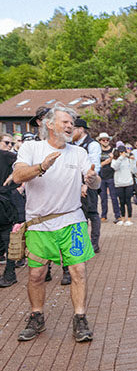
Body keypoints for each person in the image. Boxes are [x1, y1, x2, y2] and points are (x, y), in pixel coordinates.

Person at [12, 104, 101, 342]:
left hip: (72, 221)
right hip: (39, 224)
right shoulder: (31, 148)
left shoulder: (79, 153)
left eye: (72, 123)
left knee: (78, 271)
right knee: (36, 275)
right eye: (65, 122)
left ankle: (80, 318)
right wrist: (42, 166)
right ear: (49, 124)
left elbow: (94, 183)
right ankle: (36, 316)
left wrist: (92, 179)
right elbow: (18, 176)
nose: (70, 126)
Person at [71, 119, 102, 250]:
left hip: (89, 184)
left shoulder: (92, 145)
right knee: (78, 214)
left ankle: (94, 243)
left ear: (81, 129)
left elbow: (95, 167)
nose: (70, 132)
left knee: (92, 213)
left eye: (73, 129)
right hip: (74, 185)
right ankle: (81, 242)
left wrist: (86, 183)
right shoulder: (70, 145)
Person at [0, 133, 22, 287]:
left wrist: (17, 185)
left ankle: (10, 273)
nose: (9, 146)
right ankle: (9, 273)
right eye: (6, 143)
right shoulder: (7, 156)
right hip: (5, 202)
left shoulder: (8, 156)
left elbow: (24, 166)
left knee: (8, 239)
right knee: (7, 239)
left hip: (4, 203)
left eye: (11, 143)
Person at [97, 132, 121, 223]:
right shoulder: (98, 151)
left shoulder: (114, 150)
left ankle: (117, 215)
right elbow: (97, 164)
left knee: (114, 197)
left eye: (107, 140)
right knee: (103, 198)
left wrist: (112, 159)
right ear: (100, 141)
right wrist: (106, 161)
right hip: (101, 177)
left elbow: (118, 162)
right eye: (103, 140)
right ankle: (104, 216)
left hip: (112, 176)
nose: (105, 141)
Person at [111, 145, 137, 226]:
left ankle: (129, 219)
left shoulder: (128, 159)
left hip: (128, 183)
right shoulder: (115, 160)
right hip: (119, 183)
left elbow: (134, 170)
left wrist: (133, 161)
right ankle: (122, 218)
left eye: (124, 152)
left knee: (128, 201)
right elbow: (115, 167)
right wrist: (121, 158)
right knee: (121, 202)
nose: (122, 153)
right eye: (121, 152)